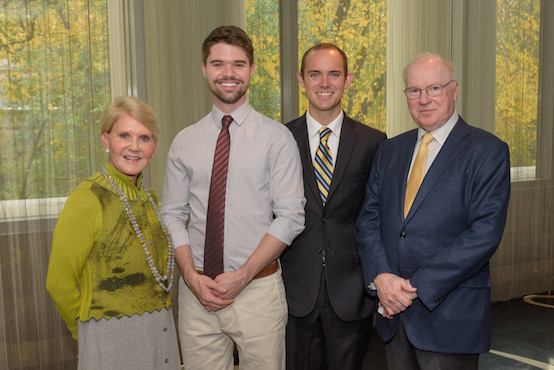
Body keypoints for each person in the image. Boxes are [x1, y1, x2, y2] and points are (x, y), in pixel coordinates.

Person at [161, 25, 305, 370]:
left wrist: (243, 274)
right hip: (197, 293)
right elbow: (171, 213)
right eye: (218, 64)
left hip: (257, 291)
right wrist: (190, 276)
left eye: (238, 64)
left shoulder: (277, 139)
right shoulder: (184, 141)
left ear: (252, 71)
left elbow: (290, 217)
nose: (228, 73)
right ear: (204, 69)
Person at [356, 52, 511, 370]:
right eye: (414, 90)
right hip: (393, 317)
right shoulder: (390, 150)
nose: (423, 99)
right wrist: (383, 279)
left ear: (454, 90)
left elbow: (483, 234)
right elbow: (368, 219)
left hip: (450, 318)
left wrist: (412, 289)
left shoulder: (487, 151)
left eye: (434, 88)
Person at [46, 96, 181, 370]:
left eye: (144, 138)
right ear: (106, 140)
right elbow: (58, 283)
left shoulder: (151, 199)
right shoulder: (88, 198)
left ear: (154, 147)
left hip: (160, 331)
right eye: (124, 135)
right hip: (109, 337)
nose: (134, 146)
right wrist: (85, 336)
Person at [281, 43, 386, 370]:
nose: (324, 83)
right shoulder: (281, 139)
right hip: (295, 291)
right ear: (301, 79)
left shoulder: (374, 141)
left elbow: (378, 216)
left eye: (333, 74)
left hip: (351, 291)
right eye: (315, 74)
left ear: (348, 79)